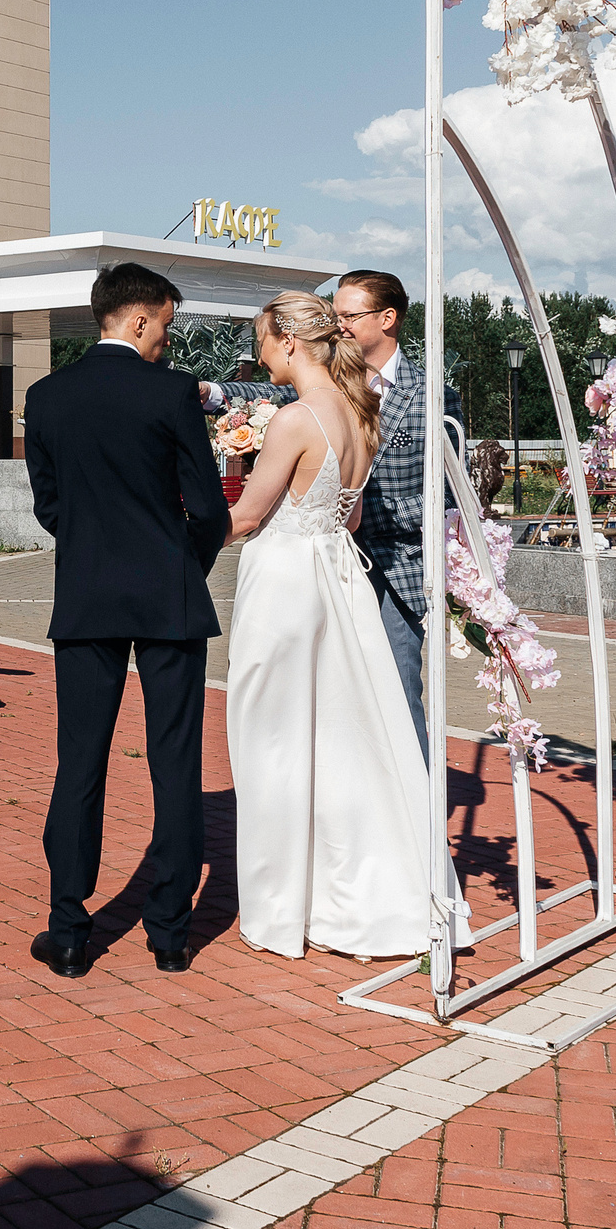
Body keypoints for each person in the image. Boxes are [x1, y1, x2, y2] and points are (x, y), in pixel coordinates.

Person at [22, 262, 231, 978]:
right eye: (165, 326)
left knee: (80, 760)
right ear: (138, 318)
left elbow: (50, 505)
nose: (167, 340)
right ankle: (170, 932)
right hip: (169, 595)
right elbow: (210, 508)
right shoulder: (171, 392)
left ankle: (68, 929)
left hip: (87, 596)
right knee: (176, 762)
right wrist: (179, 563)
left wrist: (93, 549)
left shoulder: (45, 396)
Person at [225, 290, 447, 961]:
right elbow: (348, 516)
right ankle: (341, 893)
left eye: (262, 340)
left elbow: (244, 518)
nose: (260, 353)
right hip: (338, 577)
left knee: (272, 740)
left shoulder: (296, 420)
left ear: (290, 341)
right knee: (339, 739)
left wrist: (165, 530)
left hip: (285, 581)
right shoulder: (361, 411)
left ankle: (281, 906)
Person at [333, 268, 462, 756]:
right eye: (335, 316)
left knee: (397, 692)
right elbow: (277, 393)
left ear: (387, 318)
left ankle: (417, 797)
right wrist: (212, 394)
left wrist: (361, 513)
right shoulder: (330, 385)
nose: (339, 326)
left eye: (349, 316)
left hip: (397, 572)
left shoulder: (435, 396)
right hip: (332, 565)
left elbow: (447, 499)